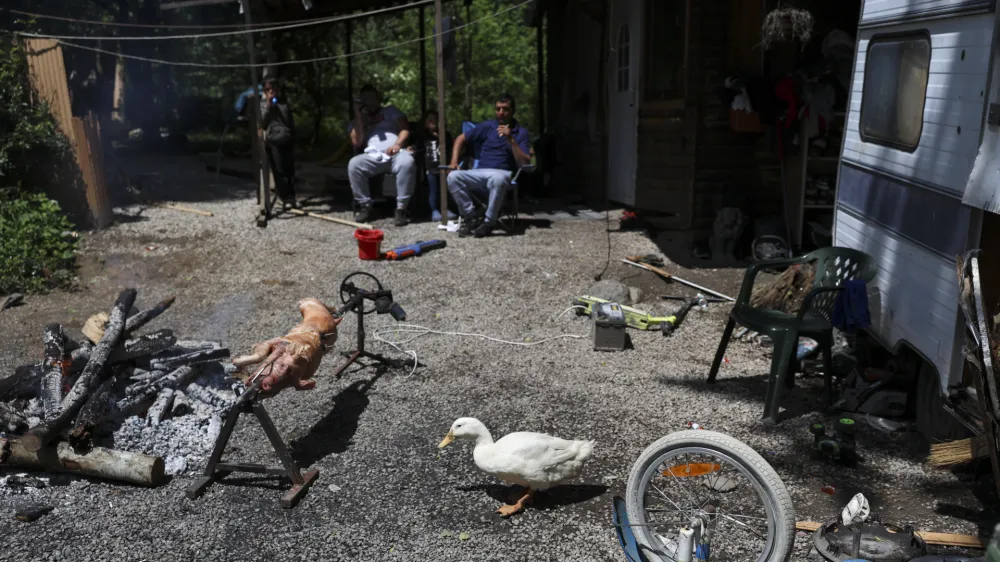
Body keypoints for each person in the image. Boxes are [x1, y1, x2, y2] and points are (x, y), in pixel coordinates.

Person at [446, 93, 531, 238]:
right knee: (453, 177)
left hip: (502, 173)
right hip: (480, 172)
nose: (501, 113)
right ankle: (470, 217)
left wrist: (510, 139)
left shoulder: (520, 132)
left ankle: (488, 222)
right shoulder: (487, 126)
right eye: (498, 109)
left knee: (497, 179)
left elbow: (525, 161)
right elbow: (461, 138)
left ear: (512, 111)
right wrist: (454, 161)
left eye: (505, 109)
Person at [347, 84, 415, 226]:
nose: (370, 101)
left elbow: (405, 130)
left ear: (378, 99)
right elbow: (357, 142)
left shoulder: (390, 111)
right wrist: (359, 115)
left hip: (395, 153)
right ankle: (365, 205)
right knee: (354, 164)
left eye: (372, 97)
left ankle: (401, 208)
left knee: (407, 161)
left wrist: (398, 144)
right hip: (372, 156)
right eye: (366, 99)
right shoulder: (357, 120)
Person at [412, 110, 457, 222]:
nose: (432, 122)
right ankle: (434, 210)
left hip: (444, 167)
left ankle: (445, 208)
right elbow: (418, 150)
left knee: (445, 189)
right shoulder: (423, 136)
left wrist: (452, 163)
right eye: (429, 120)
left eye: (434, 119)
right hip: (430, 168)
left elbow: (451, 149)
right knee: (433, 190)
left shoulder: (445, 135)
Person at [260, 76, 297, 209]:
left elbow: (290, 121)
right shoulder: (263, 104)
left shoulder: (284, 103)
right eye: (267, 89)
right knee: (279, 170)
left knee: (290, 170)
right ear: (264, 91)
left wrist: (293, 136)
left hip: (286, 138)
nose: (271, 91)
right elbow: (262, 124)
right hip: (273, 141)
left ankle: (292, 196)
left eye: (273, 88)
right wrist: (269, 106)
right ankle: (284, 197)